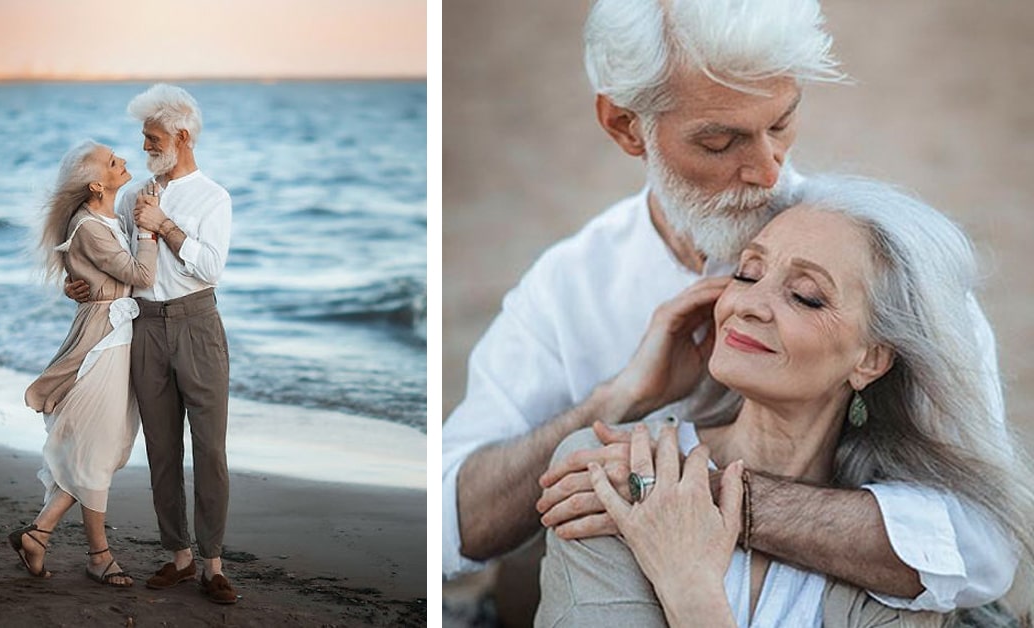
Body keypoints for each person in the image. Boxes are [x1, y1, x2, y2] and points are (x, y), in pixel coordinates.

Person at [442, 0, 1015, 612]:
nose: (769, 171)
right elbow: (451, 524)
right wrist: (616, 401)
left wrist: (699, 497)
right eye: (721, 140)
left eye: (782, 123)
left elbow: (983, 546)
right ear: (625, 126)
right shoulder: (569, 288)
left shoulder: (888, 269)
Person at [536, 176, 1034, 626]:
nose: (748, 304)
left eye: (806, 296)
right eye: (748, 274)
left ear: (871, 360)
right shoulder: (613, 468)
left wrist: (692, 594)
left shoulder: (903, 549)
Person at [65, 84, 236, 604]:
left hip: (198, 325)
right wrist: (79, 285)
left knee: (210, 449)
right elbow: (116, 261)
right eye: (142, 139)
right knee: (161, 447)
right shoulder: (137, 192)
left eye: (152, 138)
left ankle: (212, 563)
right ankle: (179, 557)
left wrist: (165, 226)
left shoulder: (214, 196)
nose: (144, 148)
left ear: (181, 137)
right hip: (144, 325)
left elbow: (211, 267)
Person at [11, 141, 157, 587]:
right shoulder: (90, 226)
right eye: (114, 163)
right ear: (97, 184)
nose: (124, 162)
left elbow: (94, 276)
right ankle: (99, 555)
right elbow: (142, 276)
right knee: (96, 447)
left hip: (116, 336)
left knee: (100, 447)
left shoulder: (110, 216)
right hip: (102, 343)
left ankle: (39, 534)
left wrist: (81, 284)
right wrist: (150, 232)